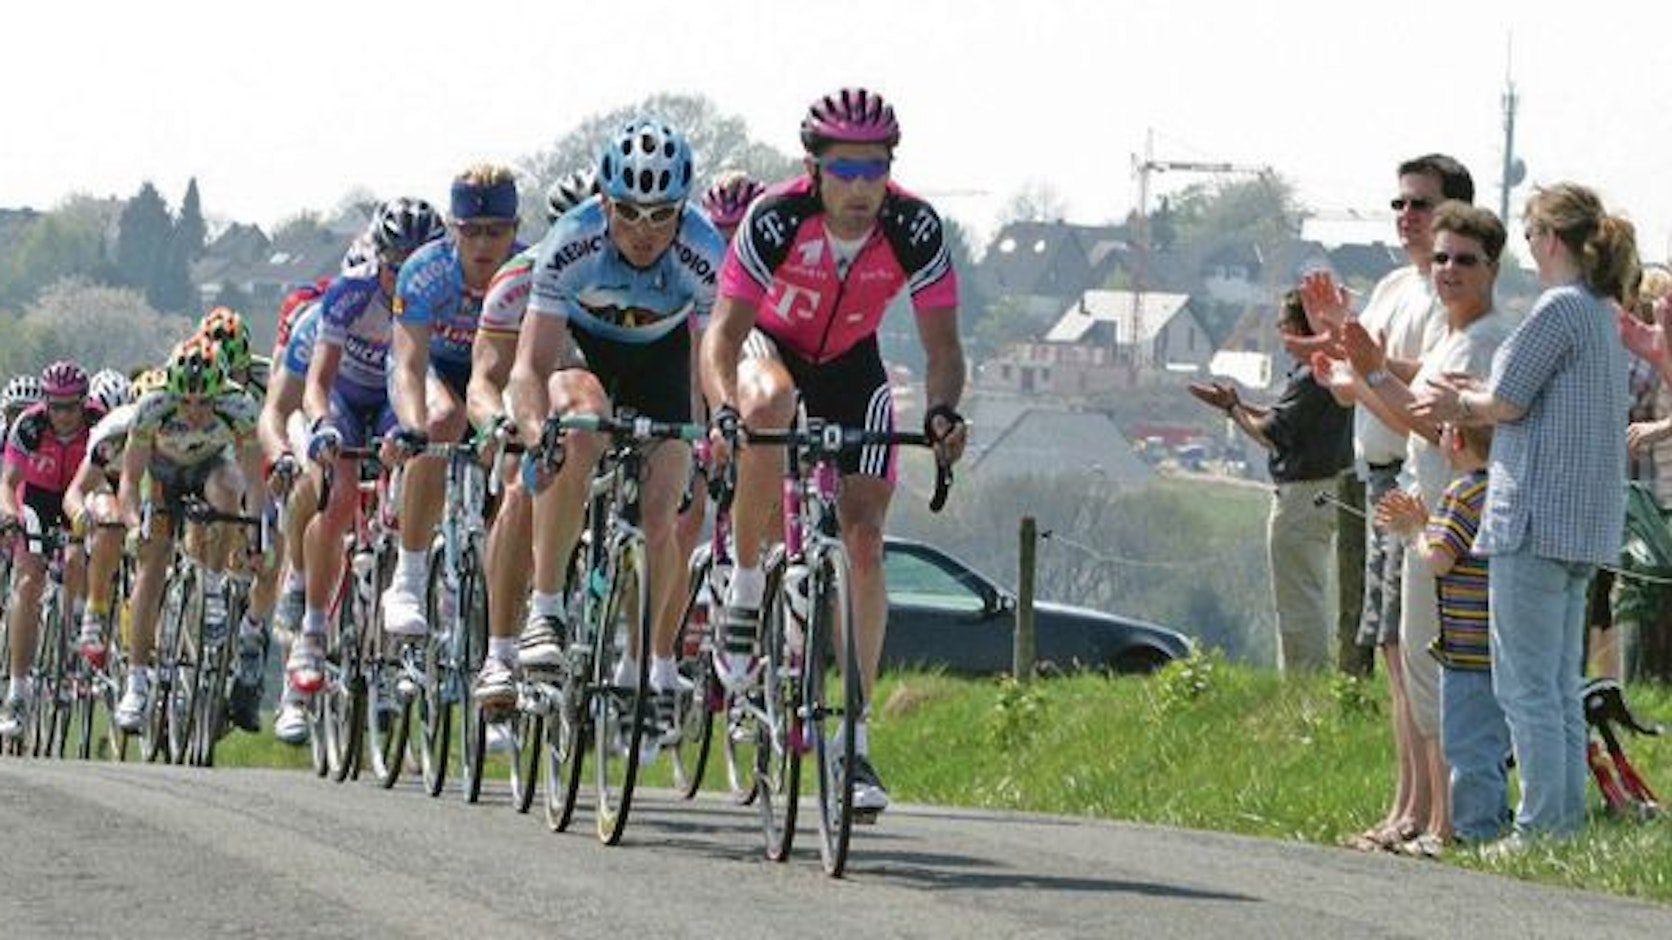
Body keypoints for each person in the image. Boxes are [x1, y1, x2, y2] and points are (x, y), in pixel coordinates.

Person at [700, 88, 968, 813]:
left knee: (865, 539)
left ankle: (852, 744)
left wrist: (943, 412)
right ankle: (749, 588)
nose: (860, 185)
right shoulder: (776, 217)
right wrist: (726, 411)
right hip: (771, 349)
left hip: (853, 364)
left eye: (874, 167)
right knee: (766, 406)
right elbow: (722, 336)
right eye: (845, 167)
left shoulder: (915, 226)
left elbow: (944, 349)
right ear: (813, 167)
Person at [1413, 181, 1637, 843]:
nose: (1531, 249)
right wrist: (1484, 395)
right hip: (1582, 524)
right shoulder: (1599, 313)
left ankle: (1543, 824)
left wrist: (1465, 401)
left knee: (1525, 687)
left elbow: (1508, 404)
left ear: (1552, 239)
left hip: (1534, 520)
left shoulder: (1558, 309)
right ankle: (1559, 823)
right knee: (1560, 686)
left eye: (1534, 236)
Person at [510, 119, 725, 753]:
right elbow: (528, 365)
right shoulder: (571, 241)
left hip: (659, 359)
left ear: (681, 211)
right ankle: (546, 609)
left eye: (662, 217)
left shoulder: (703, 251)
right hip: (585, 351)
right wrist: (534, 432)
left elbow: (711, 359)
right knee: (578, 420)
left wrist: (714, 430)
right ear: (603, 202)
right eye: (628, 213)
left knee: (663, 514)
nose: (643, 231)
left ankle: (647, 666)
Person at [1315, 199, 1511, 851]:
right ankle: (1432, 817)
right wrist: (1356, 369)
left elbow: (1444, 427)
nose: (1449, 270)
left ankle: (1449, 820)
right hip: (1422, 511)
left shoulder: (1483, 340)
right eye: (1443, 258)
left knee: (1439, 666)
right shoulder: (1447, 338)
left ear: (1492, 267)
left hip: (1450, 520)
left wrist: (1368, 369)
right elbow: (1406, 410)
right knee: (1420, 665)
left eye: (1465, 260)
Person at [384, 166, 527, 710]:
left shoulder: (526, 271)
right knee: (439, 421)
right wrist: (412, 427)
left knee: (516, 476)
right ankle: (410, 571)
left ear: (515, 228)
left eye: (498, 230)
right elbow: (406, 363)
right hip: (439, 376)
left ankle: (497, 649)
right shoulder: (423, 273)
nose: (486, 244)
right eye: (472, 231)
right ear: (452, 229)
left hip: (497, 378)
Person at [293, 197, 445, 696]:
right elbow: (318, 380)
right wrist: (321, 425)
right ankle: (313, 630)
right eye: (396, 264)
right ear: (379, 256)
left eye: (416, 263)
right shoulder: (350, 293)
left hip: (392, 399)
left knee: (416, 478)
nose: (405, 275)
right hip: (344, 395)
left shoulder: (440, 294)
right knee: (336, 499)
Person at [469, 168, 596, 678]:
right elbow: (485, 379)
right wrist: (497, 424)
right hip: (531, 401)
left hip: (589, 404)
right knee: (521, 487)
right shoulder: (519, 279)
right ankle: (498, 653)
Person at [1190, 289, 1351, 673]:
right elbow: (1284, 417)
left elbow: (1271, 434)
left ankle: (1303, 682)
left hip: (1301, 495)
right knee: (1313, 589)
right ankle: (1320, 677)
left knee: (1298, 597)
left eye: (1282, 326)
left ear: (1297, 327)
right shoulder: (1332, 371)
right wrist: (1239, 404)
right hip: (1334, 488)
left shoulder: (1311, 376)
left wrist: (1232, 409)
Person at [113, 339, 265, 731]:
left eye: (205, 402)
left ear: (220, 392)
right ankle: (138, 681)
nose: (196, 412)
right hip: (163, 477)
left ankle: (212, 586)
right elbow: (129, 480)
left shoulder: (240, 406)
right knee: (151, 564)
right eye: (187, 402)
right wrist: (133, 527)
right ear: (173, 393)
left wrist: (254, 533)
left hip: (208, 469)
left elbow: (253, 478)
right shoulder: (152, 405)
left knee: (228, 490)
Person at [1378, 421, 1510, 852]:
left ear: (1454, 441)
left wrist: (1417, 528)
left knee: (1465, 744)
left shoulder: (1461, 493)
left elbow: (1437, 559)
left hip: (1464, 646)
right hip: (1496, 642)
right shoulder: (1503, 489)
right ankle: (1485, 821)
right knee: (1490, 742)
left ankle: (1473, 830)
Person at [0, 361, 100, 739]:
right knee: (27, 583)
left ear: (83, 403)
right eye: (55, 406)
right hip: (36, 500)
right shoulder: (28, 425)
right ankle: (18, 691)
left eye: (71, 406)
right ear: (45, 404)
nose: (63, 415)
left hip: (79, 496)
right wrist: (10, 517)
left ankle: (77, 622)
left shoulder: (96, 422)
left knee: (76, 558)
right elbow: (8, 483)